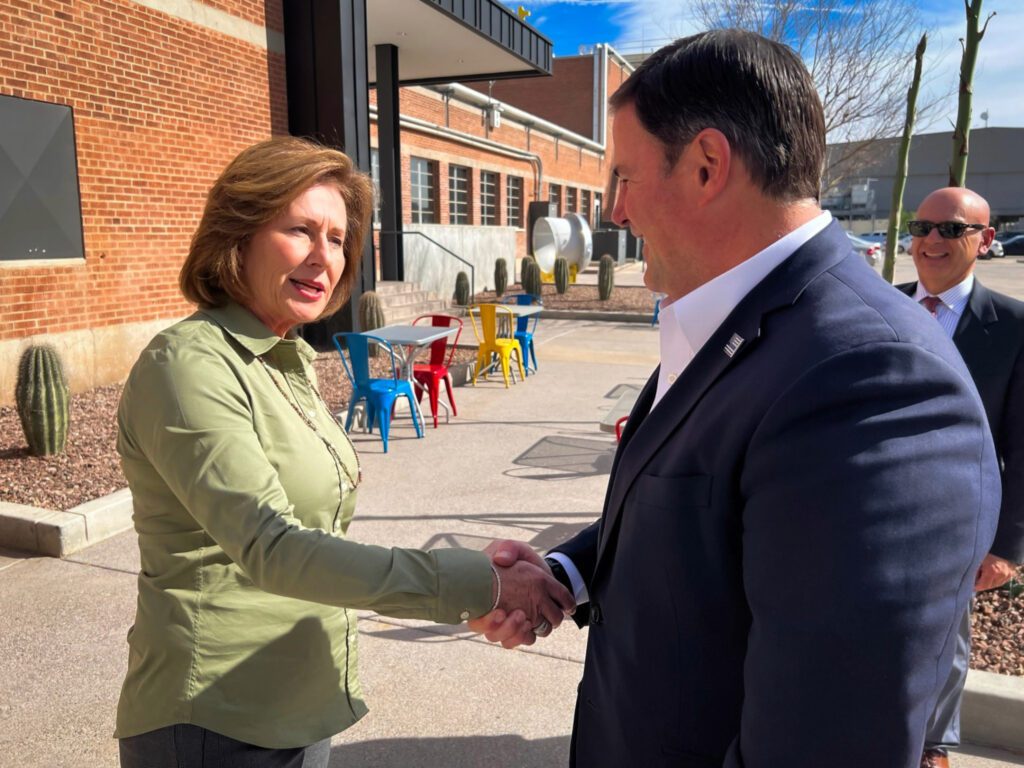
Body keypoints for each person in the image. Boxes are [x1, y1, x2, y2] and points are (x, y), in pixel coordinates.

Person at [471, 30, 1000, 767]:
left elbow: (825, 745)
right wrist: (563, 576)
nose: (615, 213)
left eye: (623, 177)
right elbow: (701, 515)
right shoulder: (747, 320)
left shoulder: (872, 381)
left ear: (708, 166)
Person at [114, 136, 573, 767]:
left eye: (336, 238)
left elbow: (320, 537)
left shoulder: (285, 361)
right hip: (219, 721)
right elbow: (274, 546)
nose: (322, 257)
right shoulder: (189, 365)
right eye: (300, 230)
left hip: (303, 702)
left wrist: (475, 595)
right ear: (237, 235)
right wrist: (475, 583)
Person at [897, 186, 1024, 768]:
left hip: (956, 521)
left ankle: (931, 748)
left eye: (950, 229)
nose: (931, 240)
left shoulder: (1014, 327)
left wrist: (1006, 547)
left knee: (945, 641)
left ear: (985, 239)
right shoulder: (877, 303)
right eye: (921, 227)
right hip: (863, 512)